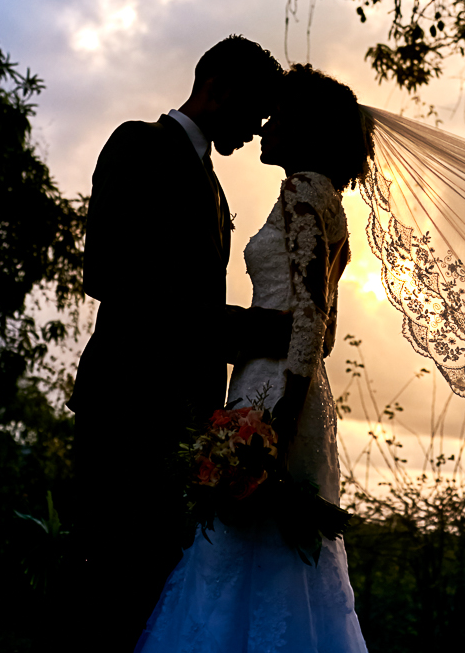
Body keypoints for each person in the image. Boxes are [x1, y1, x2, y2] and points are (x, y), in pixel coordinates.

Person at [137, 64, 375, 653]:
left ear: (304, 126)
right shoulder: (331, 200)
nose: (266, 124)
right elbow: (323, 335)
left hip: (274, 398)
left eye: (279, 114)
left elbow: (312, 324)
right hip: (287, 385)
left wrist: (272, 425)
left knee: (243, 547)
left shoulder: (300, 192)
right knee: (274, 555)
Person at [70, 36, 290, 653]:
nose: (257, 129)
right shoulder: (138, 143)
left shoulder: (216, 189)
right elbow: (108, 274)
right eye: (253, 110)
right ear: (215, 85)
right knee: (106, 584)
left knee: (155, 592)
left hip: (188, 424)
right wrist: (251, 329)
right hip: (125, 406)